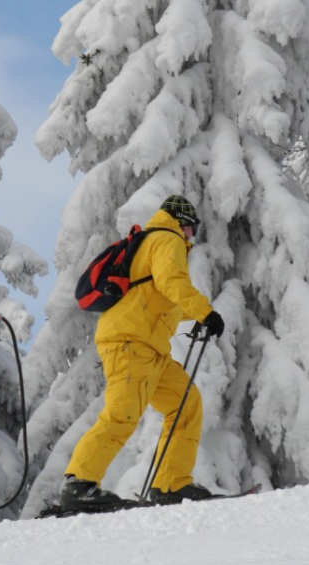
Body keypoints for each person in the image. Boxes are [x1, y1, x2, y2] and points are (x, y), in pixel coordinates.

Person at [60, 195, 225, 510]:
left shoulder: (155, 243)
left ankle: (171, 485)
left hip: (150, 349)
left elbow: (161, 297)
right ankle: (79, 483)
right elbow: (170, 282)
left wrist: (199, 316)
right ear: (181, 221)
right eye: (191, 228)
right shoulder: (166, 238)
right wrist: (206, 312)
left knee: (186, 404)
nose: (192, 236)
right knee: (122, 413)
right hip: (130, 343)